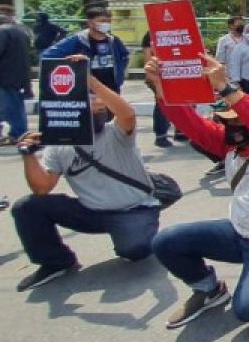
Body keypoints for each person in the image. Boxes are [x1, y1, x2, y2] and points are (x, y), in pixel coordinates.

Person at [148, 55, 249, 329]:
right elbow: (193, 126)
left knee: (247, 308)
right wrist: (161, 90)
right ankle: (209, 289)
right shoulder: (231, 149)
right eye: (227, 121)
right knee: (165, 241)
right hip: (239, 232)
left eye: (237, 121)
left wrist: (226, 88)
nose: (230, 126)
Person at [10, 59, 160, 292]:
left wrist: (87, 78)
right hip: (92, 212)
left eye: (99, 104)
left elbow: (127, 114)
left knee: (134, 250)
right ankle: (55, 262)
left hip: (133, 209)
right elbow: (42, 188)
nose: (98, 106)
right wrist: (27, 154)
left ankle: (146, 232)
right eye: (90, 103)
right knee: (27, 206)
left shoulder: (114, 133)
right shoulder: (59, 146)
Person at [42, 7, 129, 92]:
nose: (106, 24)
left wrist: (119, 75)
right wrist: (71, 61)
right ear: (90, 23)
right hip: (86, 90)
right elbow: (48, 55)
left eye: (108, 21)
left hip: (112, 89)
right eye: (102, 21)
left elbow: (124, 56)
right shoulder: (77, 40)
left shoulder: (114, 41)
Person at [0, 8, 32, 147]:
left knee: (8, 108)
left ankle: (18, 134)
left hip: (1, 77)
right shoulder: (19, 32)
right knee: (4, 106)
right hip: (15, 76)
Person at [140, 31, 175, 149]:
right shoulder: (151, 33)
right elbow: (147, 55)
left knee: (182, 102)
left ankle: (181, 131)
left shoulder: (180, 30)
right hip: (158, 75)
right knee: (161, 104)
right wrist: (151, 74)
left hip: (176, 73)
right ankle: (161, 135)